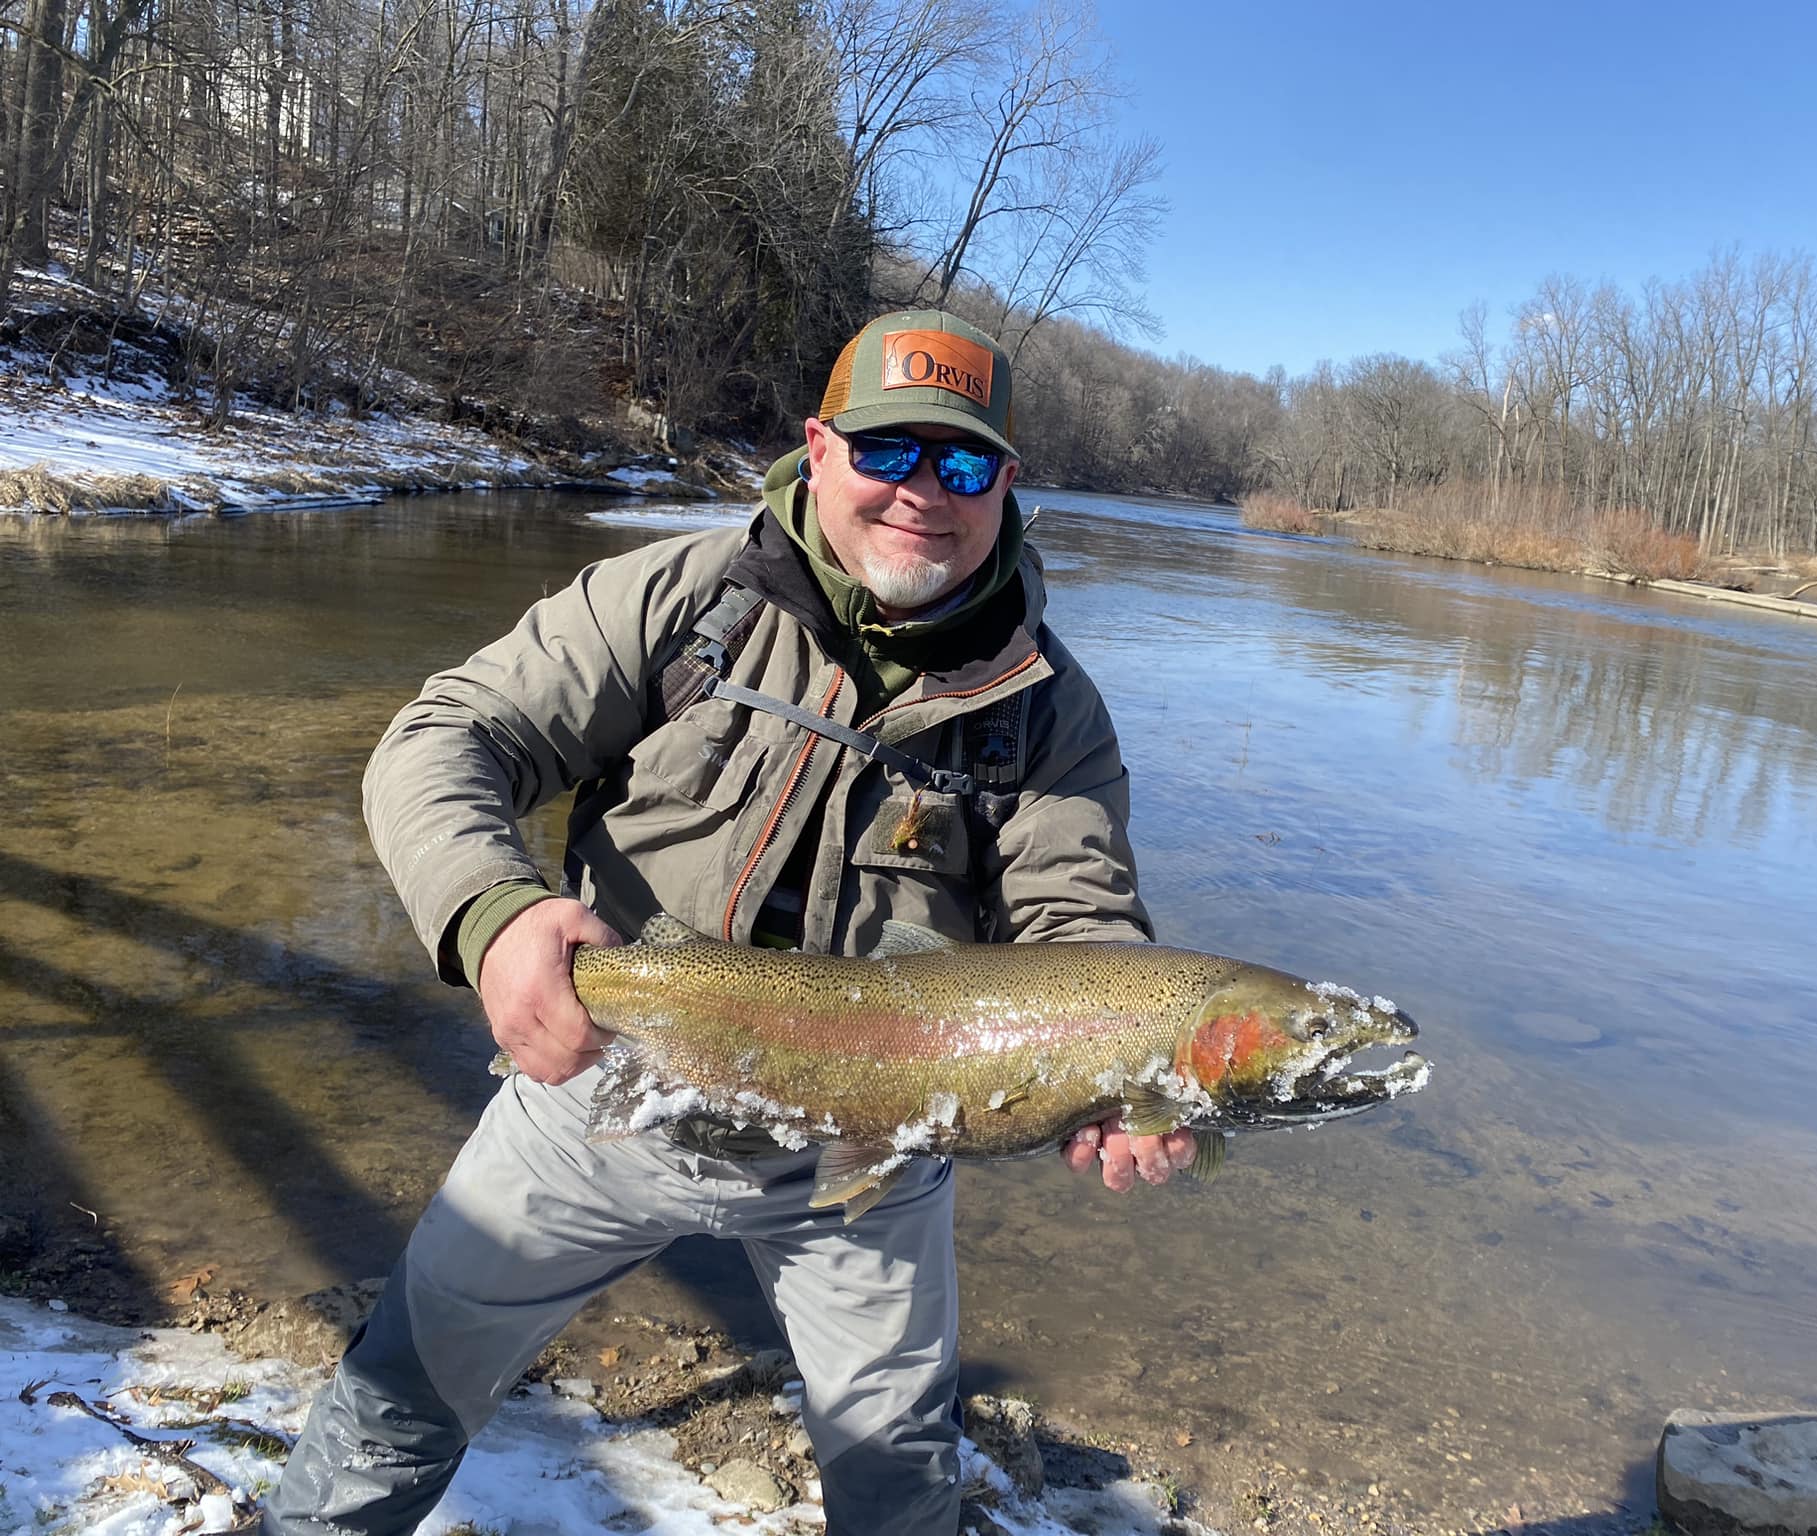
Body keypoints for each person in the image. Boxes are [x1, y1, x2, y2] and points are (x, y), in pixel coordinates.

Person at [262, 309, 1196, 1536]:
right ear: (817, 450)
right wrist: (493, 918)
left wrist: (1125, 1059)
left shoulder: (1047, 713)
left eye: (962, 464)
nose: (925, 492)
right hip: (594, 1098)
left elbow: (1079, 923)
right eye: (888, 453)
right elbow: (447, 738)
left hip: (861, 1165)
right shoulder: (680, 599)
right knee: (401, 1392)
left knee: (901, 1475)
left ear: (1005, 484)